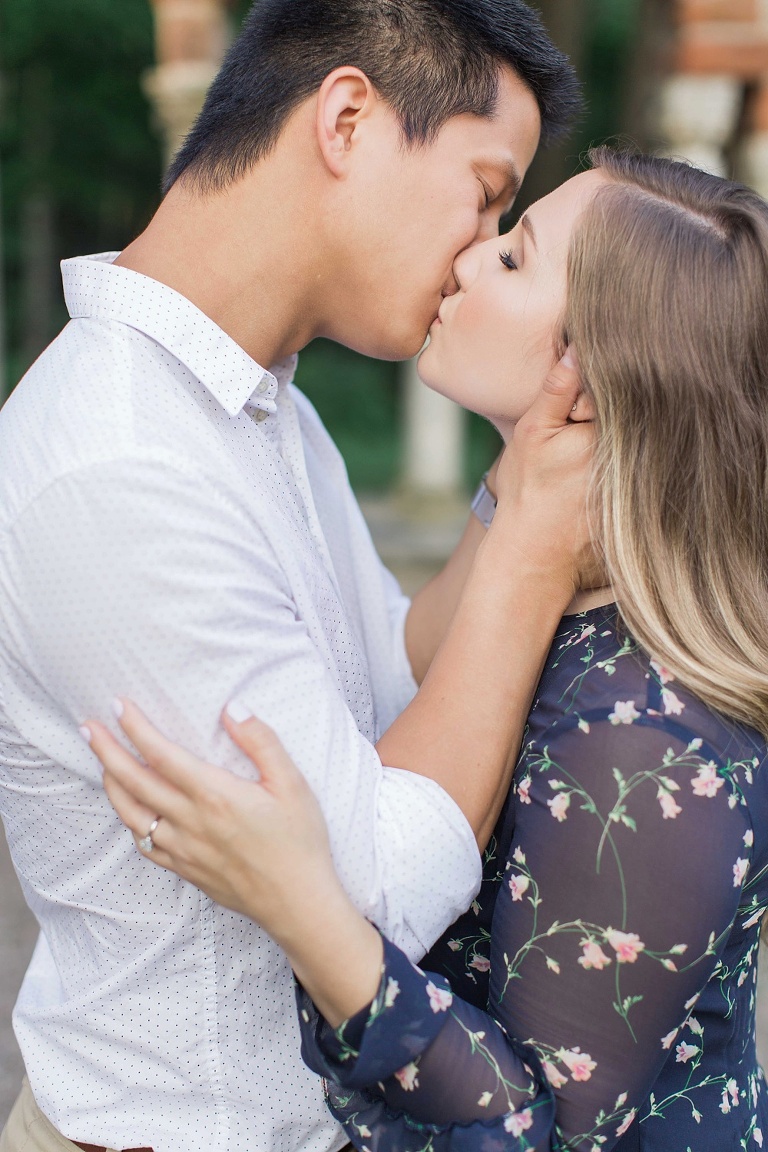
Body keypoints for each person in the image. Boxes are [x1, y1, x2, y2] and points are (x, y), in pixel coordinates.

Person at [85, 149, 768, 1152]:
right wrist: (523, 495)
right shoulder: (563, 604)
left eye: (514, 258)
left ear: (594, 373)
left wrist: (308, 914)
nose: (467, 256)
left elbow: (537, 1138)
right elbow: (414, 657)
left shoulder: (644, 740)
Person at [0, 3, 589, 1151]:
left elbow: (405, 668)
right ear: (350, 119)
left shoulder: (261, 405)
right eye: (485, 192)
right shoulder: (123, 465)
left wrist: (520, 477)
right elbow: (376, 900)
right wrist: (538, 546)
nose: (480, 250)